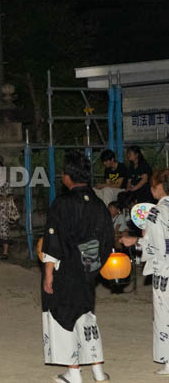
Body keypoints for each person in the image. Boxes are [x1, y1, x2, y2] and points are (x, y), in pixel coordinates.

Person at [41, 150, 114, 383]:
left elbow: (53, 241)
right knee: (87, 315)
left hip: (67, 268)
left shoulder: (62, 204)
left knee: (65, 316)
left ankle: (73, 372)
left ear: (68, 177)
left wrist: (48, 273)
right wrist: (95, 264)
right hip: (89, 268)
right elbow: (107, 240)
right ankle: (98, 370)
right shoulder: (98, 205)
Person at [122, 168, 169, 375]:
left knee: (164, 314)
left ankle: (168, 360)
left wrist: (134, 241)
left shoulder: (155, 212)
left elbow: (154, 246)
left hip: (164, 270)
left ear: (158, 187)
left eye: (153, 186)